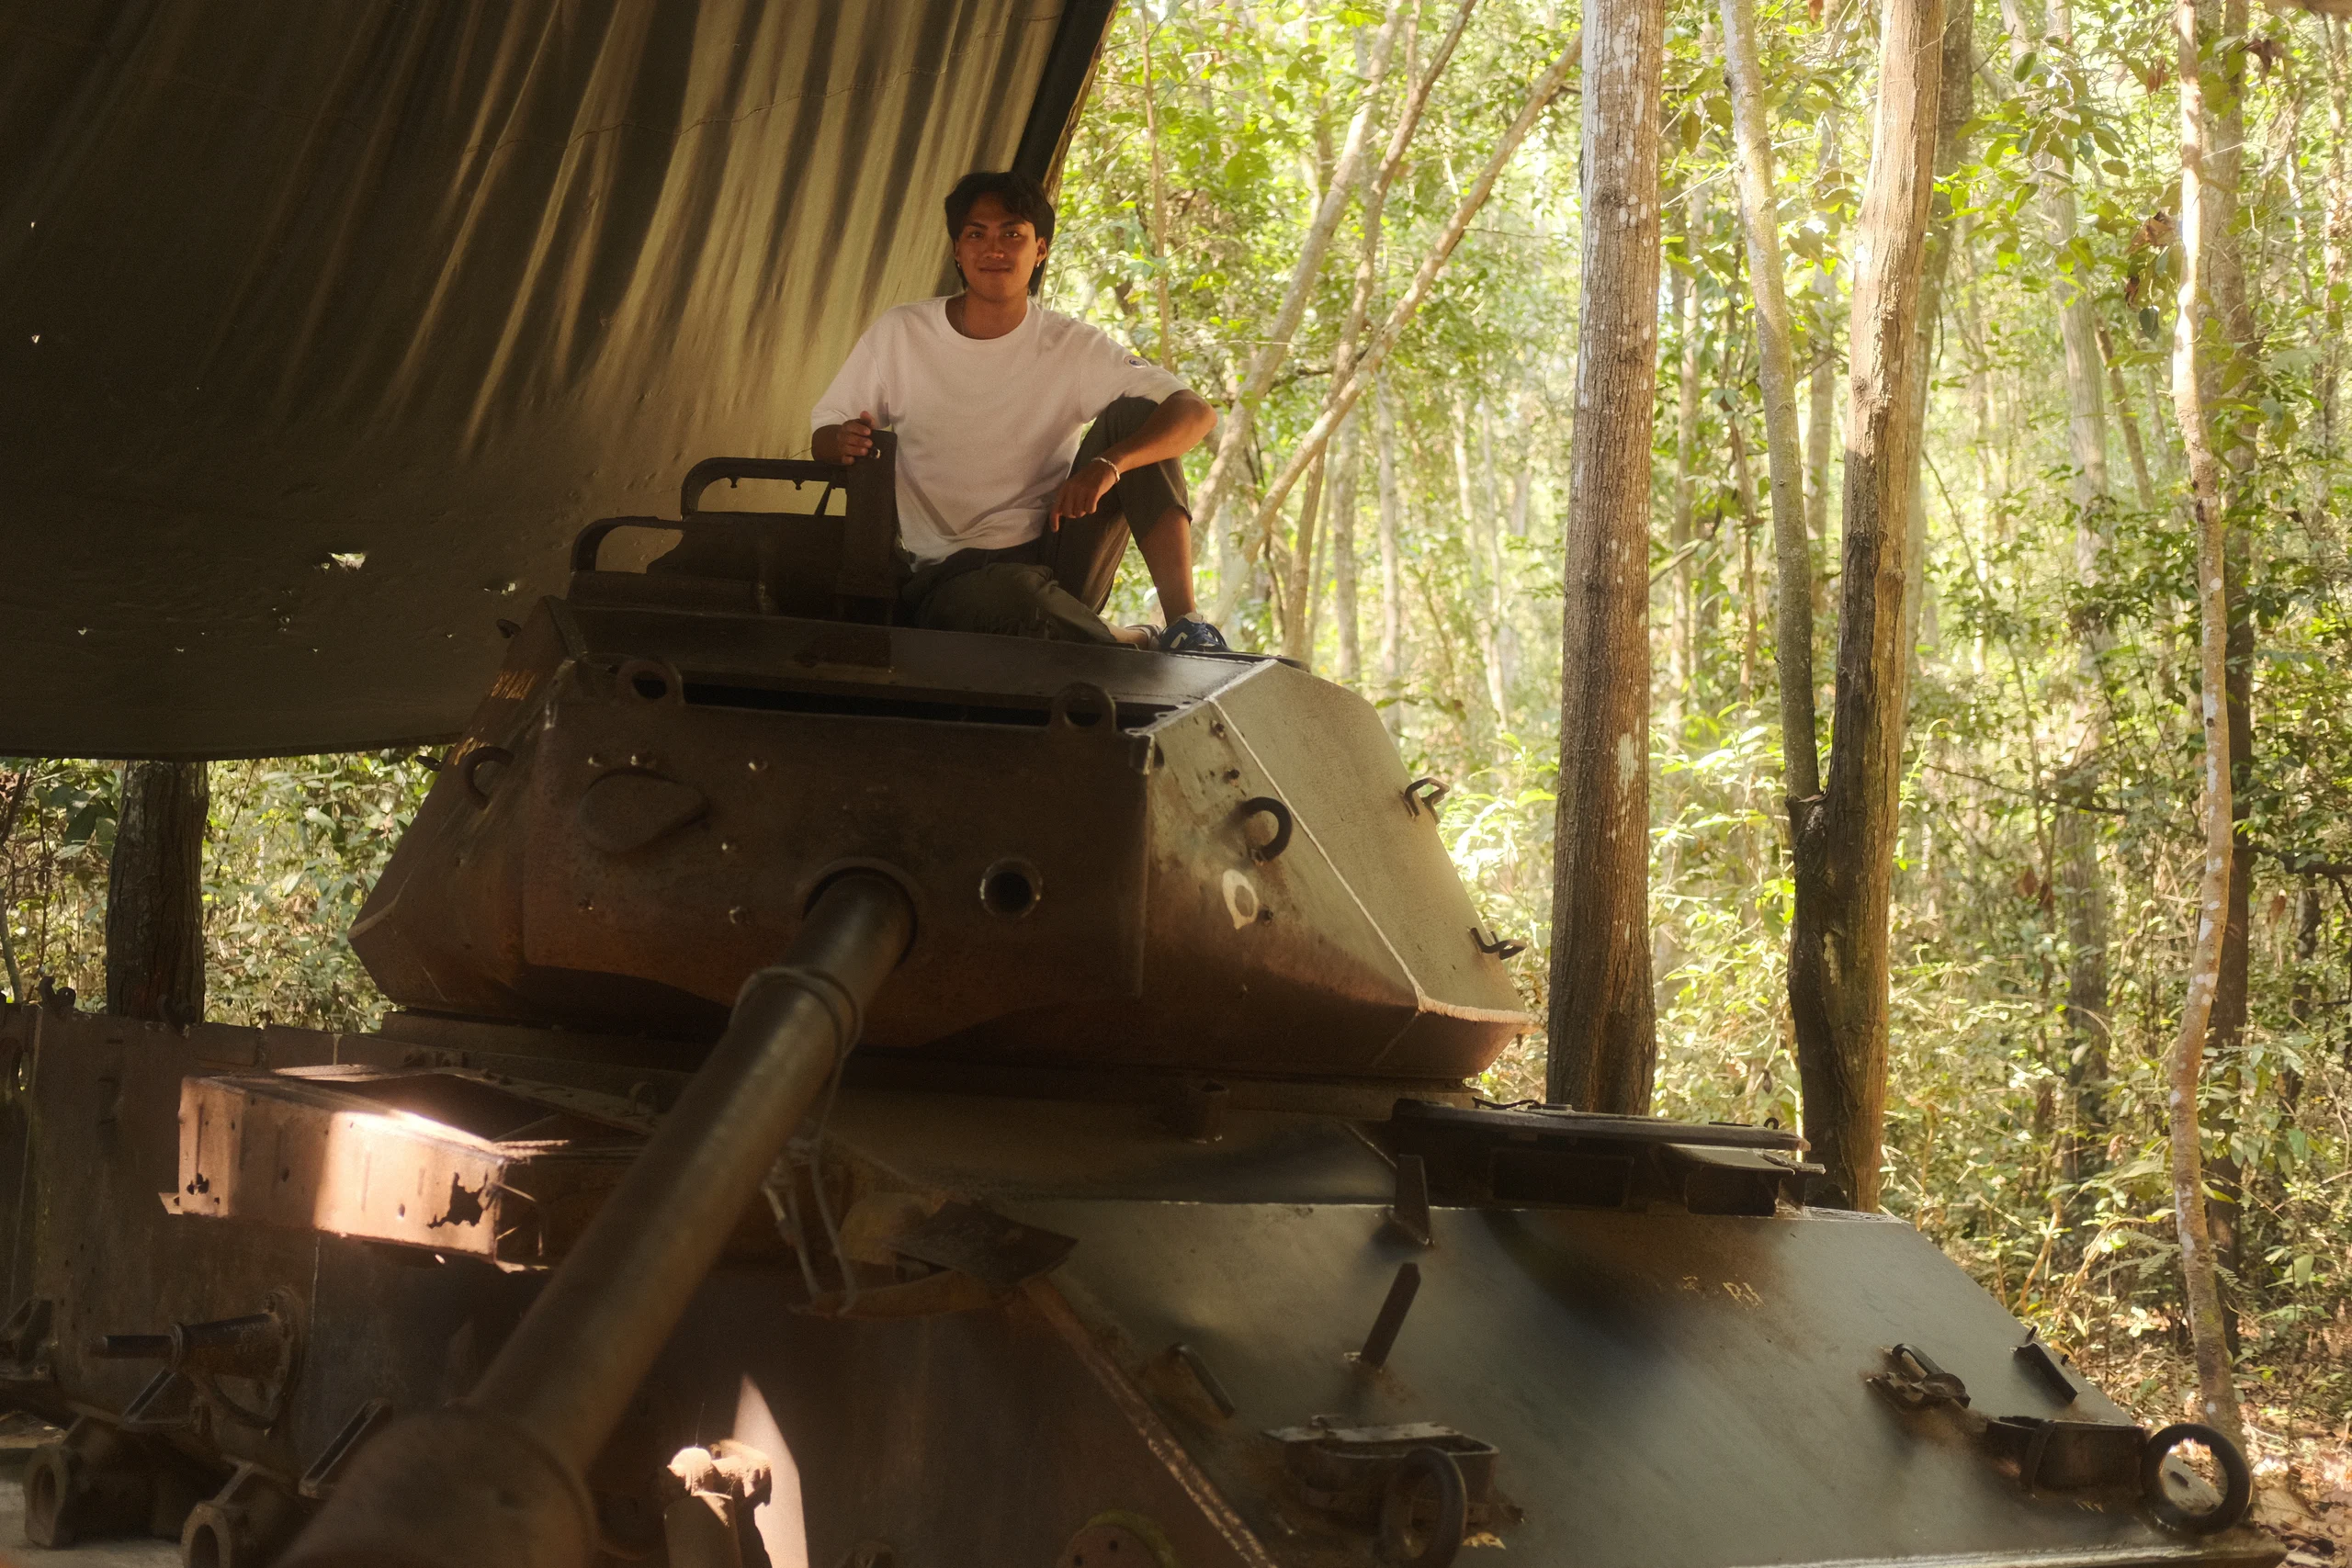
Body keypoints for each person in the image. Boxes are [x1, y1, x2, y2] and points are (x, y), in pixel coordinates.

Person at [810, 170, 1227, 651]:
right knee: (1018, 601)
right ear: (957, 251)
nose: (994, 249)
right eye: (976, 235)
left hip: (1059, 553)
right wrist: (842, 440)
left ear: (1040, 250)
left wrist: (1108, 465)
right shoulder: (901, 333)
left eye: (1012, 234)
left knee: (1140, 416)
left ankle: (1186, 627)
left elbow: (1196, 412)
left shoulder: (1071, 345)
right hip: (952, 578)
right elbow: (824, 432)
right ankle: (1130, 642)